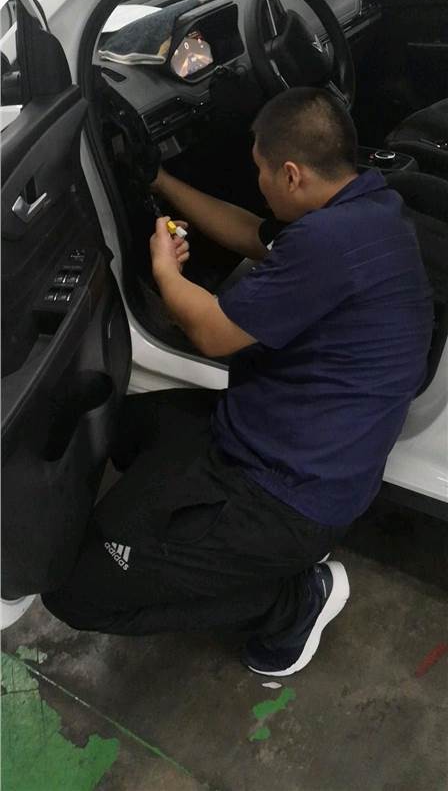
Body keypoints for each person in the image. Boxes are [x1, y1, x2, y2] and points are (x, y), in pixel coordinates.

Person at [43, 87, 433, 677]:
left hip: (285, 494)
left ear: (293, 174)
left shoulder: (327, 244)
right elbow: (252, 232)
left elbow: (211, 332)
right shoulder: (368, 208)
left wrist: (165, 272)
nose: (258, 183)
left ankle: (292, 602)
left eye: (261, 170)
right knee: (125, 425)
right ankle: (225, 550)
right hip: (289, 444)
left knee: (73, 593)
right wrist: (159, 181)